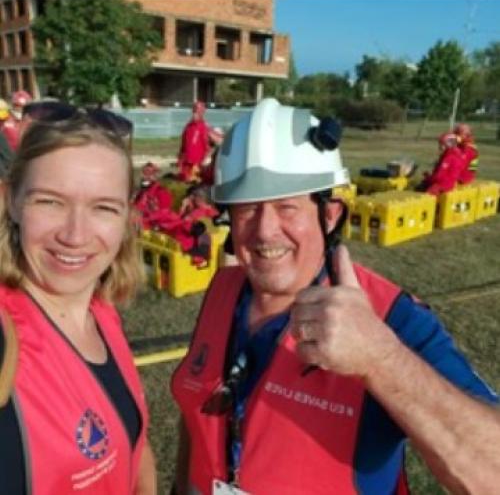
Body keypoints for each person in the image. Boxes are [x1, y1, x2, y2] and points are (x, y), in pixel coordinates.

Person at [170, 98, 499, 495]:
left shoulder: (392, 319)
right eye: (247, 210)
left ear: (329, 215)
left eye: (287, 207)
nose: (264, 231)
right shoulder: (223, 291)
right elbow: (197, 419)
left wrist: (381, 360)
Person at [0, 107, 156, 494]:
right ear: (13, 202)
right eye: (50, 202)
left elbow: (135, 448)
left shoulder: (101, 311)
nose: (75, 235)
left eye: (103, 207)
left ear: (125, 219)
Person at [177, 101, 210, 183]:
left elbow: (206, 146)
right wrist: (180, 157)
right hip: (186, 162)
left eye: (197, 113)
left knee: (195, 182)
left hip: (197, 163)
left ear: (202, 114)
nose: (195, 115)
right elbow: (183, 144)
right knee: (185, 181)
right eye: (194, 112)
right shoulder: (188, 127)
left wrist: (204, 160)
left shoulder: (203, 127)